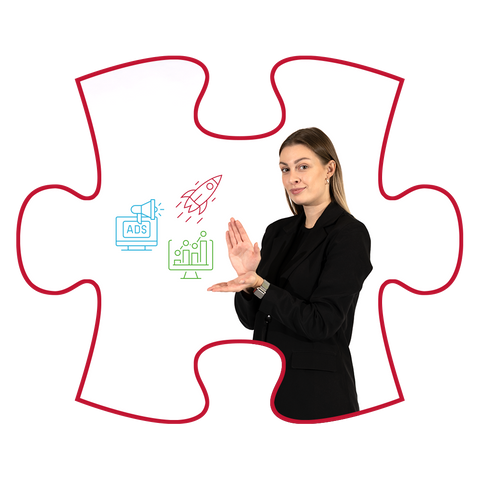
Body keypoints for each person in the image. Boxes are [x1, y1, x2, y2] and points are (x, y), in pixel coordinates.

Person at [207, 127, 373, 420]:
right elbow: (251, 321)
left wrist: (261, 284)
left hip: (317, 396)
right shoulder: (277, 232)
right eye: (285, 169)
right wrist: (249, 279)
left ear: (329, 169)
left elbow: (321, 323)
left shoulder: (349, 235)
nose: (292, 177)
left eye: (303, 166)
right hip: (269, 389)